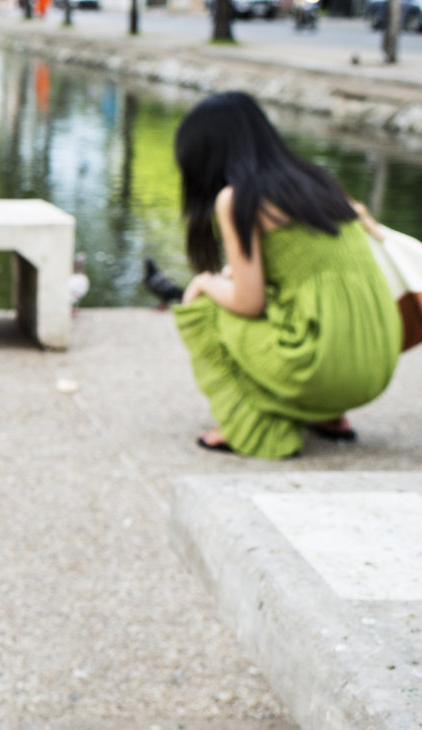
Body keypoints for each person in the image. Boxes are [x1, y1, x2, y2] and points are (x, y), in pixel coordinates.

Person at [171, 91, 400, 459]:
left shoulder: (238, 198)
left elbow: (249, 302)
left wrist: (203, 282)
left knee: (204, 308)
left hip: (320, 368)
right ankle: (329, 417)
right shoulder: (316, 180)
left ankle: (254, 427)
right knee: (268, 300)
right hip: (378, 363)